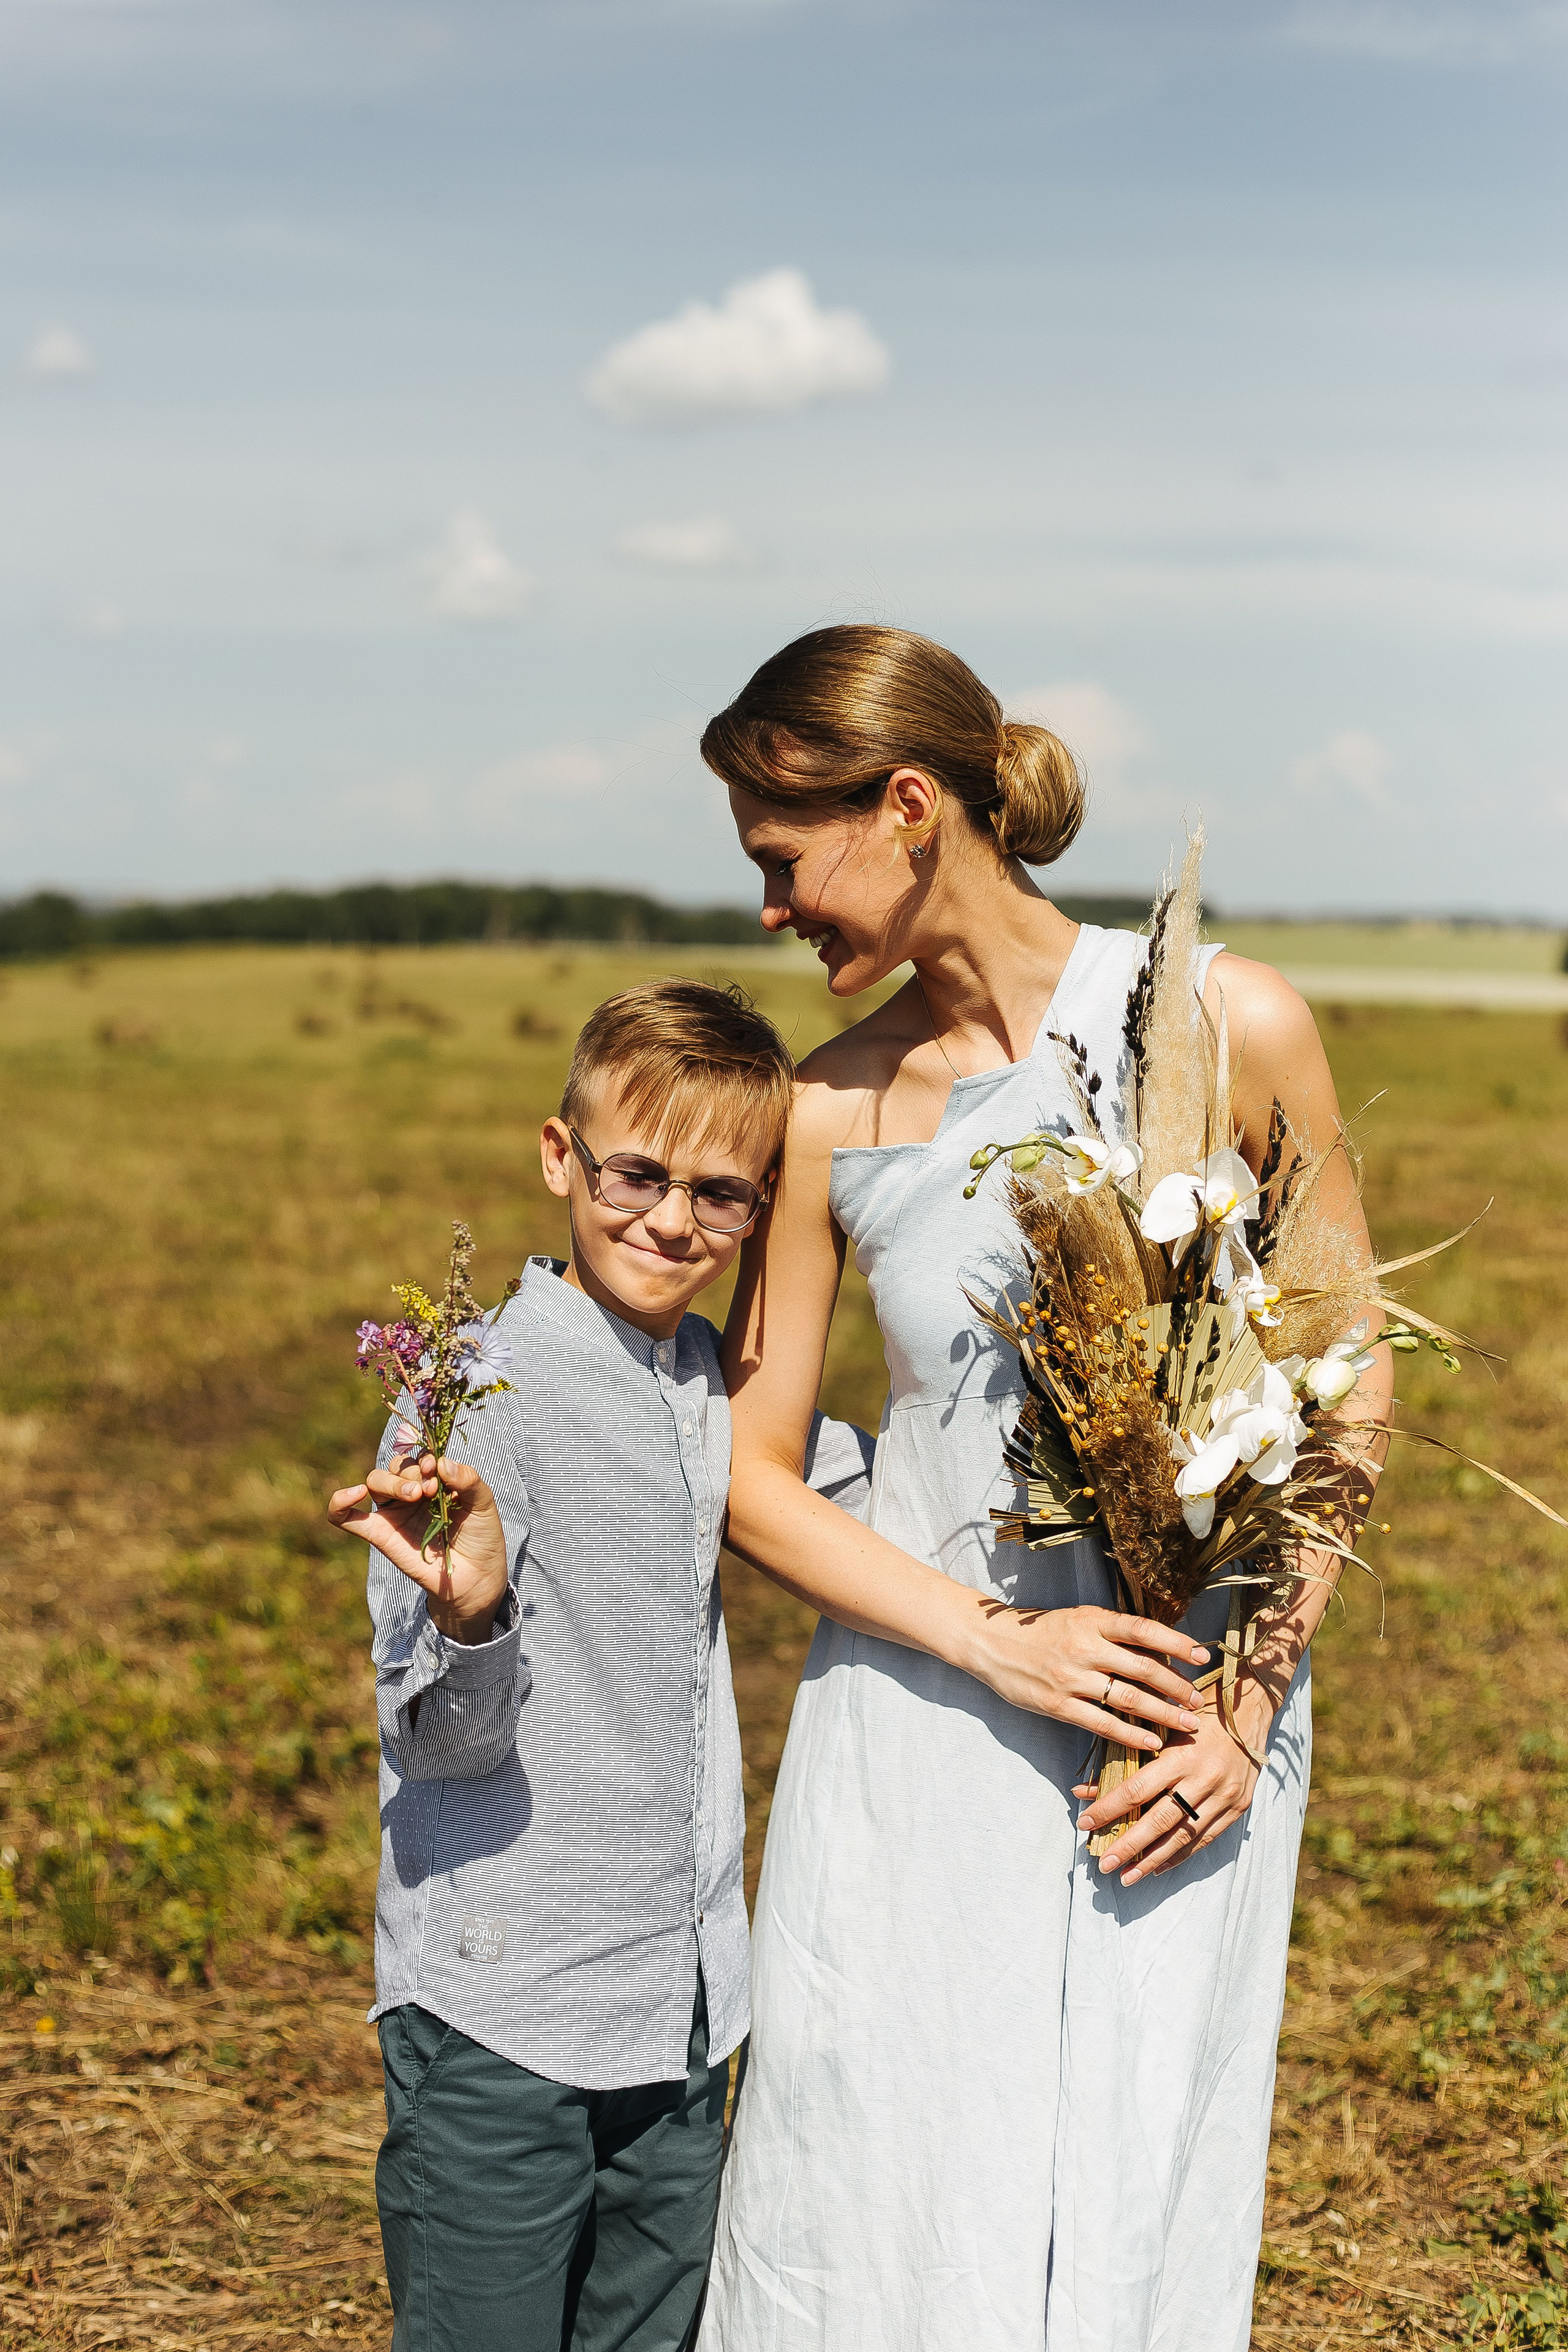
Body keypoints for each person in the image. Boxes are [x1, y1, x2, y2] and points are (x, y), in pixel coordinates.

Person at [693, 628, 1392, 2352]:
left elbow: (1353, 1380)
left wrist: (1247, 1696)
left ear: (910, 807)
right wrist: (992, 1644)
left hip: (1184, 1738)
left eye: (784, 862)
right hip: (918, 1726)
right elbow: (749, 1475)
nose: (774, 914)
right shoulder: (821, 1111)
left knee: (1137, 2184)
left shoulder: (1227, 1023)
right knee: (876, 2196)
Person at [326, 978, 873, 2352]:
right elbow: (434, 1744)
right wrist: (470, 1617)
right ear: (561, 1156)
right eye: (639, 1172)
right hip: (503, 2007)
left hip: (684, 2016)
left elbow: (872, 1510)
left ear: (762, 1212)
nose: (673, 1220)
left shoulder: (715, 1388)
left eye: (723, 1193)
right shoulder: (471, 1391)